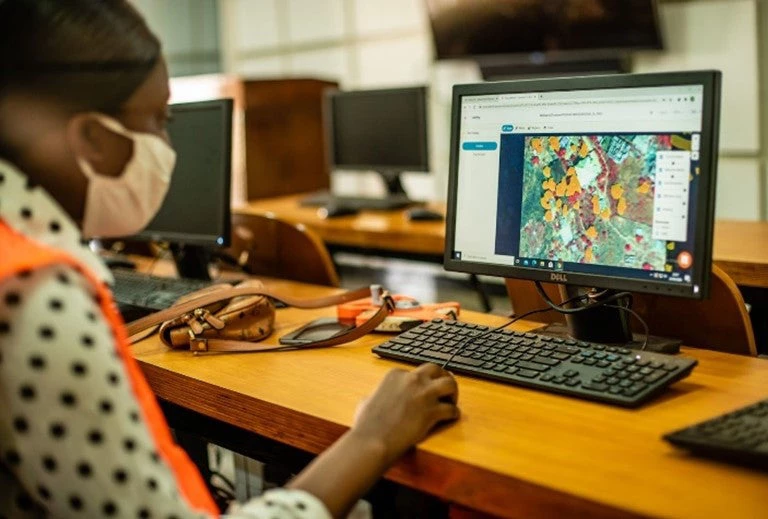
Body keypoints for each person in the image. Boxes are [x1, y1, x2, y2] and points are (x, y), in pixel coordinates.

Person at [0, 1, 460, 517]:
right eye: (157, 119)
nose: (167, 143)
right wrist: (372, 438)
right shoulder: (36, 298)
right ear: (92, 138)